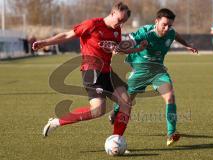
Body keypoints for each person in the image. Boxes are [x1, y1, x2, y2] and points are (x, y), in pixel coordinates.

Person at [32, 2, 147, 139]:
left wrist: (134, 49)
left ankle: (116, 140)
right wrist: (45, 43)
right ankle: (56, 122)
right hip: (91, 71)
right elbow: (67, 35)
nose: (120, 24)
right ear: (112, 13)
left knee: (126, 102)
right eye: (119, 20)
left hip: (107, 72)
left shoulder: (117, 31)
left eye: (123, 22)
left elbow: (118, 49)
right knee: (98, 110)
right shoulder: (92, 24)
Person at [109, 8, 198, 146]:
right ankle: (115, 111)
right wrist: (118, 47)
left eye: (170, 25)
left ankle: (171, 133)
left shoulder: (171, 32)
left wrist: (187, 45)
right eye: (164, 25)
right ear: (156, 21)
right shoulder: (145, 32)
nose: (167, 28)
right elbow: (131, 41)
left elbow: (175, 35)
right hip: (139, 70)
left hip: (158, 71)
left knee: (170, 97)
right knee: (127, 102)